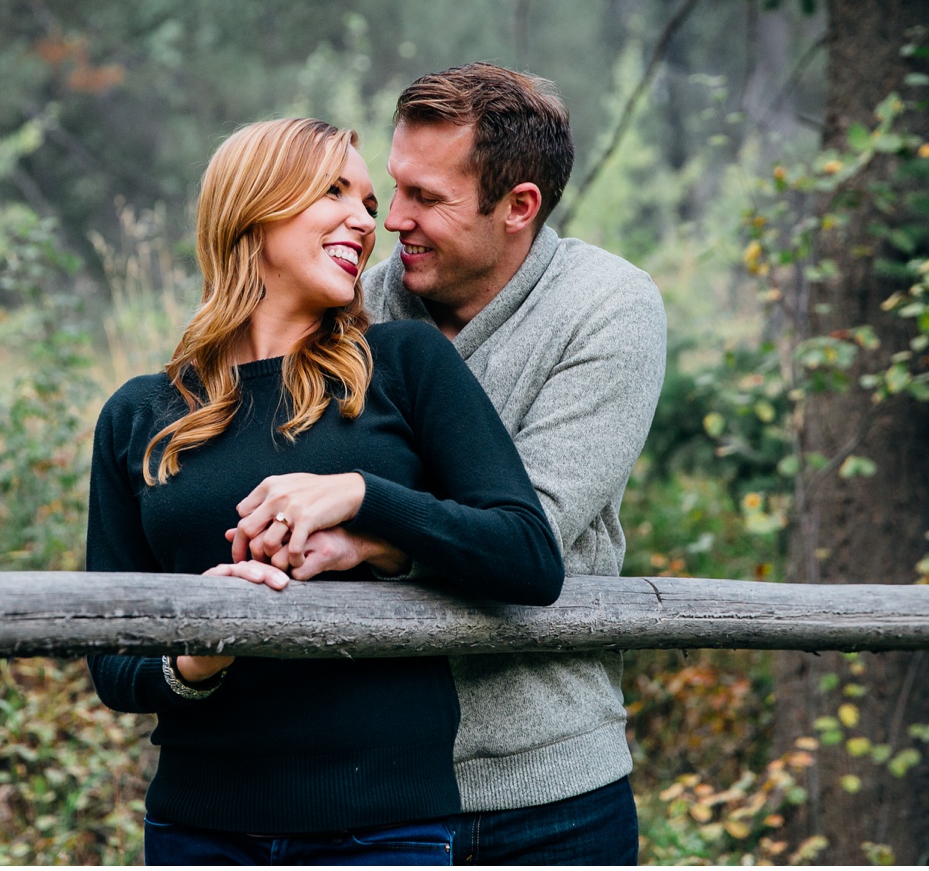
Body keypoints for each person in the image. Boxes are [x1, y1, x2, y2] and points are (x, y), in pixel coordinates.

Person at [84, 117, 565, 865]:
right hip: (197, 831)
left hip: (381, 829)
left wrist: (361, 496)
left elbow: (529, 555)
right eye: (335, 190)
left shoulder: (404, 364)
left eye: (369, 202)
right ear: (254, 207)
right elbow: (111, 658)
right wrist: (196, 663)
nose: (365, 221)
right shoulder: (139, 415)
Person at [240, 64, 668, 864]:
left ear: (519, 207)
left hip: (547, 793)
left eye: (426, 199)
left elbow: (531, 528)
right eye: (392, 189)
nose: (390, 220)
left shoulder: (608, 307)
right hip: (367, 795)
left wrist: (371, 527)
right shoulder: (356, 303)